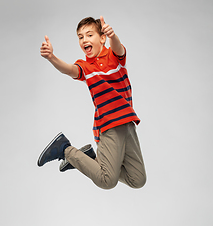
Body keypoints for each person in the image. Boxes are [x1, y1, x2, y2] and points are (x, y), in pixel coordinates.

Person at [38, 16, 146, 190]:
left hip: (129, 124)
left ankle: (88, 159)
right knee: (106, 181)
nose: (84, 40)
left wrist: (113, 36)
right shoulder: (85, 67)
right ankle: (65, 149)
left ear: (102, 38)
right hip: (109, 126)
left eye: (89, 35)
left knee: (138, 180)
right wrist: (52, 57)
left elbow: (118, 48)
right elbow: (69, 69)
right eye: (80, 37)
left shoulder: (114, 57)